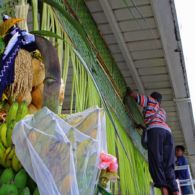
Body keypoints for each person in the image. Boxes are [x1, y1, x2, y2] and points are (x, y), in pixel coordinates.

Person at [127, 91, 179, 195]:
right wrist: (142, 126)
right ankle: (176, 191)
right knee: (168, 164)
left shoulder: (150, 100)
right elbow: (156, 122)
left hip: (156, 131)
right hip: (168, 133)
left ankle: (164, 191)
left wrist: (129, 92)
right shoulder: (163, 111)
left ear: (152, 97)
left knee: (156, 161)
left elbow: (135, 96)